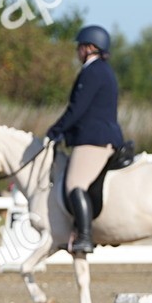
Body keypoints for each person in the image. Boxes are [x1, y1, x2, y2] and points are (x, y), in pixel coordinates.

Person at [45, 25, 124, 254]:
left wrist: (55, 130)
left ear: (90, 47)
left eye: (80, 47)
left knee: (74, 185)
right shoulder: (102, 70)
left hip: (94, 139)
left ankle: (85, 237)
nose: (77, 51)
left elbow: (77, 109)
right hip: (98, 136)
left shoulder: (93, 72)